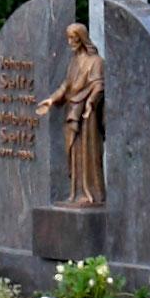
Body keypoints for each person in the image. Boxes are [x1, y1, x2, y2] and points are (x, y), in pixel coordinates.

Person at [38, 21, 105, 206]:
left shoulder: (96, 62)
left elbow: (99, 85)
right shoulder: (73, 61)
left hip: (87, 115)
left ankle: (90, 194)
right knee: (73, 152)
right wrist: (51, 100)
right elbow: (65, 86)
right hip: (72, 111)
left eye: (73, 38)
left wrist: (91, 102)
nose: (70, 42)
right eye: (68, 38)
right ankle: (75, 193)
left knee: (88, 153)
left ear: (82, 38)